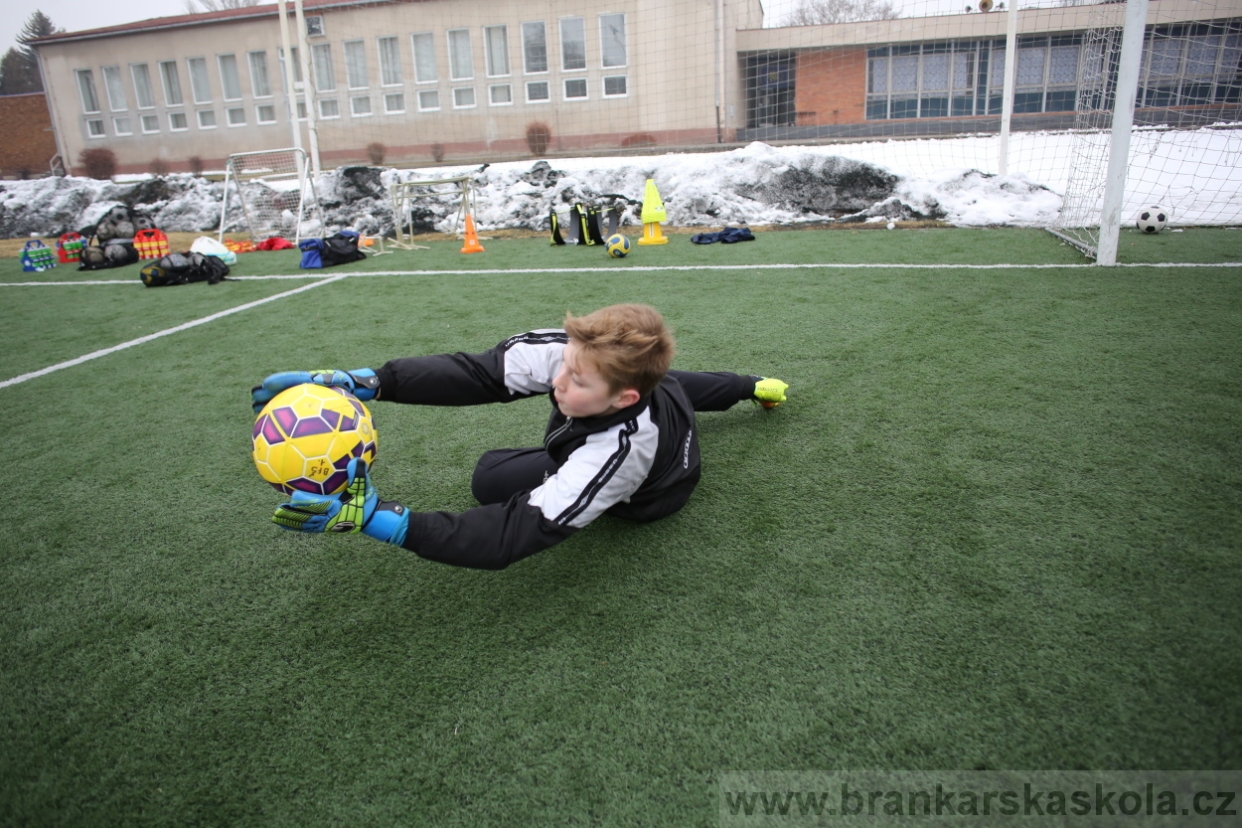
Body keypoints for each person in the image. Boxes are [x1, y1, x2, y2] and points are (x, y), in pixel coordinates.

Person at [251, 303, 788, 570]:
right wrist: (369, 382)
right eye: (566, 365)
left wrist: (383, 521)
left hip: (655, 492)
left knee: (496, 486)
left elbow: (515, 534)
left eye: (576, 382)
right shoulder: (586, 356)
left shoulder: (622, 449)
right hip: (657, 412)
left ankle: (615, 502)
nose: (558, 380)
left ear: (624, 397)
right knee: (490, 472)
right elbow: (478, 373)